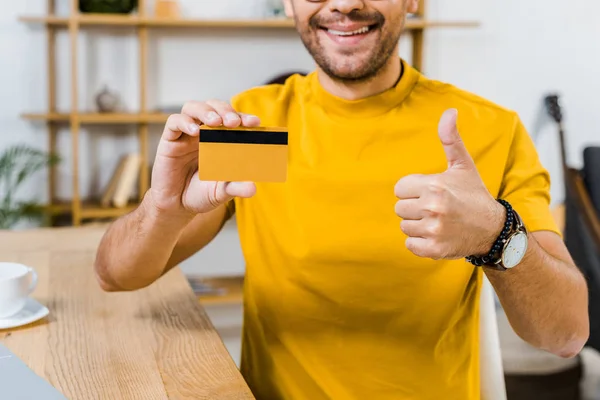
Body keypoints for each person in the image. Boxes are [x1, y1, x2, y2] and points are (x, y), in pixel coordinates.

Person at [93, 0, 590, 399]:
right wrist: (163, 205)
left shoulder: (487, 130)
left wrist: (497, 233)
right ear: (289, 5)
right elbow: (115, 276)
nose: (346, 5)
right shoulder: (256, 125)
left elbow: (566, 335)